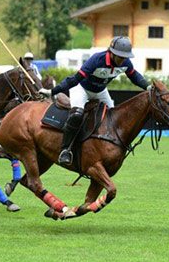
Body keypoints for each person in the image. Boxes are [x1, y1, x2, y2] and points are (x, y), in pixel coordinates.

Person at [38, 36, 150, 165]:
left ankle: (111, 146)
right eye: (120, 56)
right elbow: (75, 79)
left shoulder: (125, 63)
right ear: (111, 53)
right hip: (82, 89)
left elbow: (134, 76)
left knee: (113, 117)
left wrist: (148, 87)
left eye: (125, 57)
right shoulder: (97, 60)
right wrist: (52, 91)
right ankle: (65, 150)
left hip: (101, 91)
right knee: (76, 115)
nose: (122, 60)